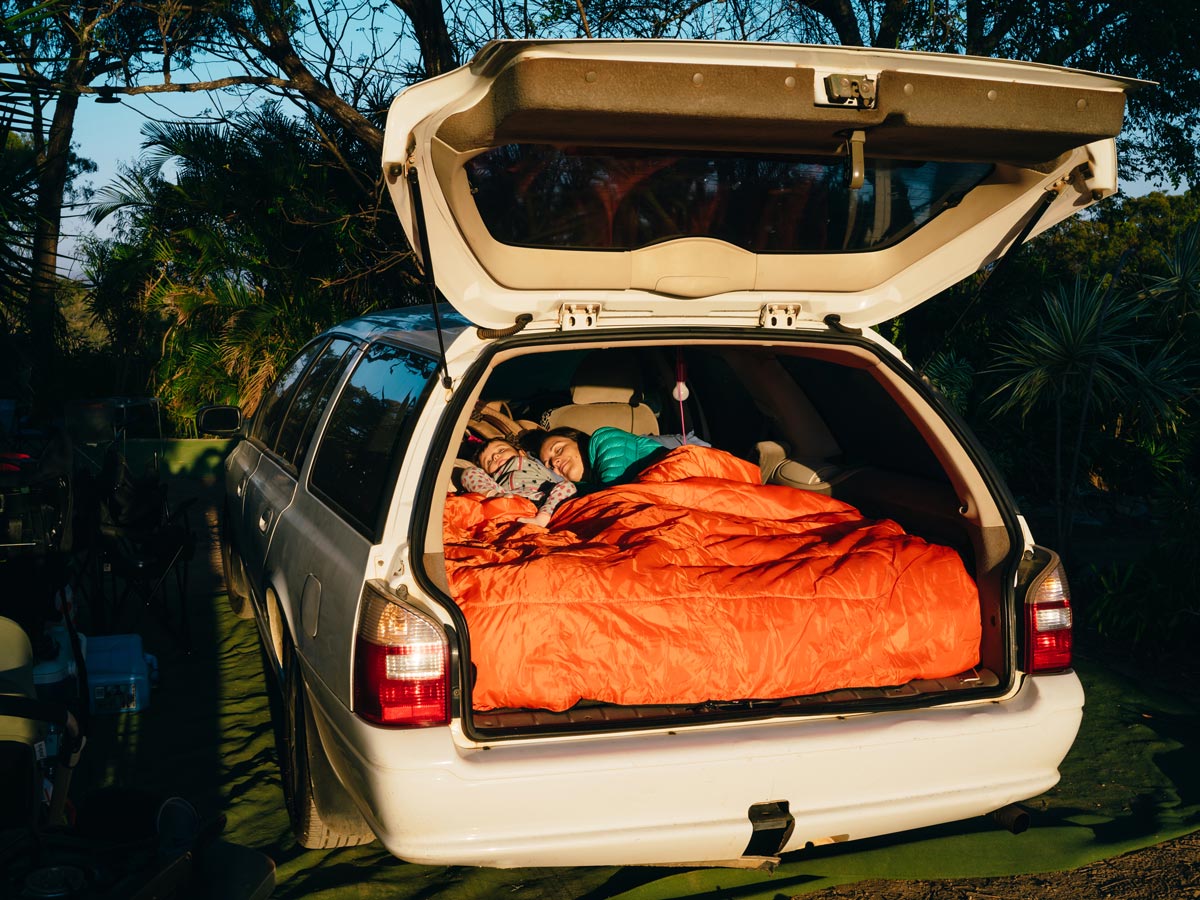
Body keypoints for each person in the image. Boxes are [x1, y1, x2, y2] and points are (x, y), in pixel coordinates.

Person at [536, 425, 708, 490]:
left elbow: (615, 494)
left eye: (558, 450)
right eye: (549, 465)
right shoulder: (585, 487)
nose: (555, 462)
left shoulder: (605, 438)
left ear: (578, 441)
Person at [459, 437, 577, 527]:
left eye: (501, 450)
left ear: (521, 453)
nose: (495, 456)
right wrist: (494, 493)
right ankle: (495, 497)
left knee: (567, 486)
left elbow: (560, 479)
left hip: (544, 499)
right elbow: (476, 477)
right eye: (489, 461)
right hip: (510, 499)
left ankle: (543, 517)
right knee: (468, 472)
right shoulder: (495, 480)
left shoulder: (532, 462)